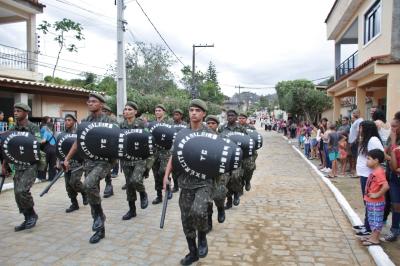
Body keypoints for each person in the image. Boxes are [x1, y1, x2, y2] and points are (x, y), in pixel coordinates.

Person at [162, 99, 213, 265]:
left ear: (203, 113)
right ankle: (192, 252)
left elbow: (218, 158)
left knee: (198, 211)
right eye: (191, 110)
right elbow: (173, 155)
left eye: (197, 110)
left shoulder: (211, 134)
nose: (194, 113)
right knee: (186, 219)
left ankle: (203, 237)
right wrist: (166, 175)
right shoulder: (182, 134)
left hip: (204, 182)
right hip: (186, 182)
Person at [64, 93, 118, 244]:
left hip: (105, 162)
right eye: (89, 101)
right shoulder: (85, 122)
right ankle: (99, 229)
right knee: (91, 189)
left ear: (101, 104)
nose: (90, 103)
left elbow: (117, 142)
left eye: (94, 101)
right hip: (89, 162)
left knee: (88, 184)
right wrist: (67, 158)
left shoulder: (110, 121)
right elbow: (77, 142)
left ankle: (100, 215)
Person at [10, 103, 40, 231]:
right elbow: (8, 148)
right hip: (17, 164)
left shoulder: (33, 127)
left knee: (22, 190)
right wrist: (5, 165)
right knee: (17, 194)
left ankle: (32, 214)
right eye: (15, 111)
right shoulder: (13, 128)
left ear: (26, 113)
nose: (15, 113)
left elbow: (40, 141)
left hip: (31, 164)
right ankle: (27, 217)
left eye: (18, 111)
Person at [119, 101, 149, 220]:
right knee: (129, 185)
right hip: (126, 159)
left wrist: (148, 164)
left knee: (136, 180)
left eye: (129, 109)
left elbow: (149, 142)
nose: (126, 111)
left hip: (140, 159)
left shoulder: (142, 124)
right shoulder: (121, 125)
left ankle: (143, 193)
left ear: (135, 112)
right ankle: (132, 210)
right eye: (125, 109)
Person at [354, 121, 384, 237]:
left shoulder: (373, 140)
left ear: (366, 129)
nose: (359, 130)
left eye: (360, 128)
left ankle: (368, 227)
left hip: (369, 175)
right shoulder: (366, 139)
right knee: (366, 200)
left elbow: (379, 155)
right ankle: (366, 224)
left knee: (369, 201)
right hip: (364, 174)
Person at [360, 149, 389, 246]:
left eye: (368, 159)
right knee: (372, 219)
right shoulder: (375, 171)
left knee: (376, 220)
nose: (366, 161)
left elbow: (386, 186)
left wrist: (377, 195)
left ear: (376, 160)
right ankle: (373, 236)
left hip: (376, 202)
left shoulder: (379, 172)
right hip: (371, 201)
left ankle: (375, 239)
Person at [219, 109, 247, 209]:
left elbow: (246, 142)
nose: (230, 117)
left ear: (236, 117)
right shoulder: (222, 128)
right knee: (225, 180)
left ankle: (236, 193)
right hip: (226, 157)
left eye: (232, 115)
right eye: (228, 115)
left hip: (237, 158)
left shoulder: (241, 129)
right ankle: (229, 200)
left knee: (235, 177)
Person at [62, 114, 87, 213]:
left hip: (78, 162)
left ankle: (84, 192)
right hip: (66, 162)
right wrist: (59, 162)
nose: (67, 122)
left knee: (74, 182)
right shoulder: (63, 134)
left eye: (69, 120)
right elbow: (59, 149)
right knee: (68, 185)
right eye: (65, 120)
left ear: (74, 121)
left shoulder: (79, 133)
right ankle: (74, 203)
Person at [205, 115, 226, 231]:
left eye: (213, 123)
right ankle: (208, 222)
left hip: (219, 173)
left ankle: (221, 208)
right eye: (208, 123)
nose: (210, 125)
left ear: (217, 125)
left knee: (219, 195)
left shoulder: (222, 138)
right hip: (205, 173)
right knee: (207, 200)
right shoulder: (201, 137)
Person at [382, 111, 400, 242]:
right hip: (390, 174)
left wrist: (393, 145)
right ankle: (390, 227)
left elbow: (395, 164)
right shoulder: (392, 137)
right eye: (391, 126)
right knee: (391, 202)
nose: (392, 129)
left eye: (395, 126)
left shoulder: (394, 139)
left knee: (396, 204)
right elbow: (385, 154)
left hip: (396, 174)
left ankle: (395, 230)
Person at [151, 104, 171, 204]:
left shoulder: (169, 122)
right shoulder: (153, 123)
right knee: (155, 173)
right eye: (156, 111)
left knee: (163, 171)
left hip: (165, 151)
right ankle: (159, 195)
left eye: (159, 110)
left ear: (164, 112)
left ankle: (168, 189)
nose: (157, 112)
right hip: (155, 152)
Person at [238, 113, 256, 191]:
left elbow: (255, 139)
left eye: (243, 118)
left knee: (250, 168)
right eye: (240, 118)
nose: (241, 120)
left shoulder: (251, 128)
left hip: (249, 151)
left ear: (246, 119)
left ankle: (248, 180)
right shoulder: (236, 127)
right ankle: (239, 186)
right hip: (238, 151)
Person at [102, 104, 116, 198]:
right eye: (102, 111)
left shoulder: (112, 121)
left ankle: (108, 184)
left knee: (107, 167)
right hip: (97, 148)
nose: (103, 113)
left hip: (109, 148)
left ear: (109, 113)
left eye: (105, 111)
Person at [171, 108, 187, 193]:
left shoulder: (185, 125)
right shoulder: (170, 124)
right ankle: (176, 186)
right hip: (173, 150)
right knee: (174, 170)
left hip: (183, 150)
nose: (175, 116)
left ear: (181, 116)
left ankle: (183, 185)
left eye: (177, 114)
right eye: (174, 115)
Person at [38, 116, 57, 181]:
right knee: (52, 164)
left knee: (44, 163)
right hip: (54, 149)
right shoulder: (54, 134)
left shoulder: (45, 131)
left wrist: (37, 141)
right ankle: (52, 178)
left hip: (47, 149)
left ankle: (42, 177)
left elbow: (43, 140)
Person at [349, 110, 364, 177]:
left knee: (355, 156)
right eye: (353, 113)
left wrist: (356, 140)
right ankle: (353, 170)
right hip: (352, 141)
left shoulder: (360, 120)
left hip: (355, 141)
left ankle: (356, 171)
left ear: (359, 113)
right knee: (353, 156)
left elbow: (359, 131)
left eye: (355, 113)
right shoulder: (355, 121)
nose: (353, 114)